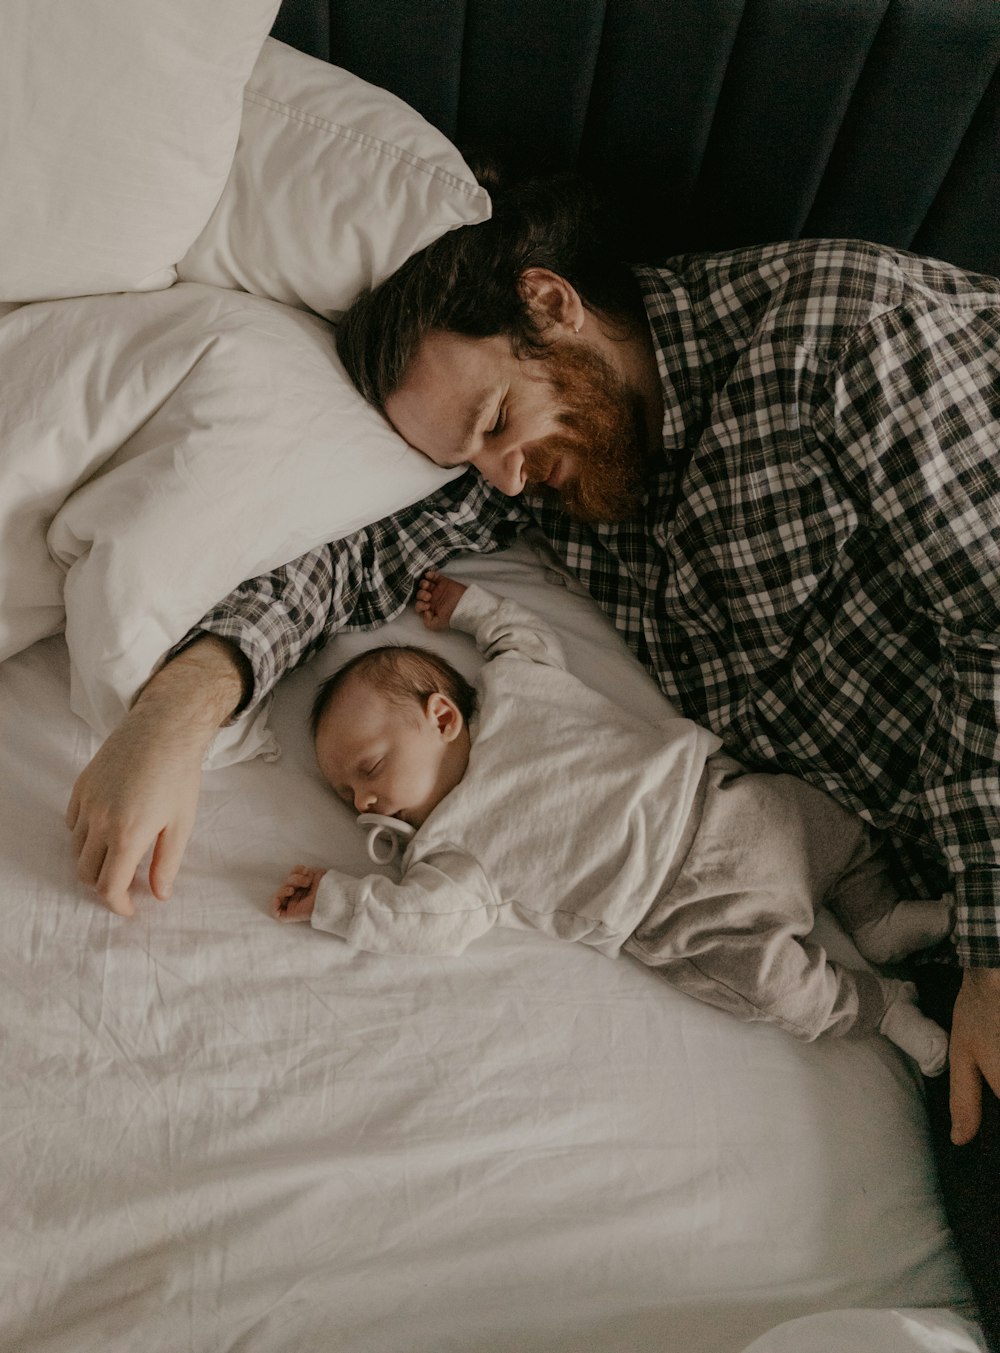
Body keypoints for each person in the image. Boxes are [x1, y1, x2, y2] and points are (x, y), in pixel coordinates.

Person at [65, 158, 999, 1280]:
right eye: (472, 461)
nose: (503, 483)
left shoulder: (840, 335)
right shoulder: (558, 472)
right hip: (926, 900)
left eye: (497, 421)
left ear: (552, 305)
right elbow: (341, 552)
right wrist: (174, 711)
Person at [272, 569, 952, 1076]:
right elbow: (417, 923)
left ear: (442, 716)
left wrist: (470, 606)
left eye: (368, 767)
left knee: (831, 824)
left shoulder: (517, 690)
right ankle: (881, 1005)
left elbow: (522, 633)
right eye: (346, 792)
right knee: (780, 990)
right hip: (682, 910)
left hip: (718, 802)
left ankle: (880, 918)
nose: (362, 800)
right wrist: (335, 899)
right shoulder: (451, 855)